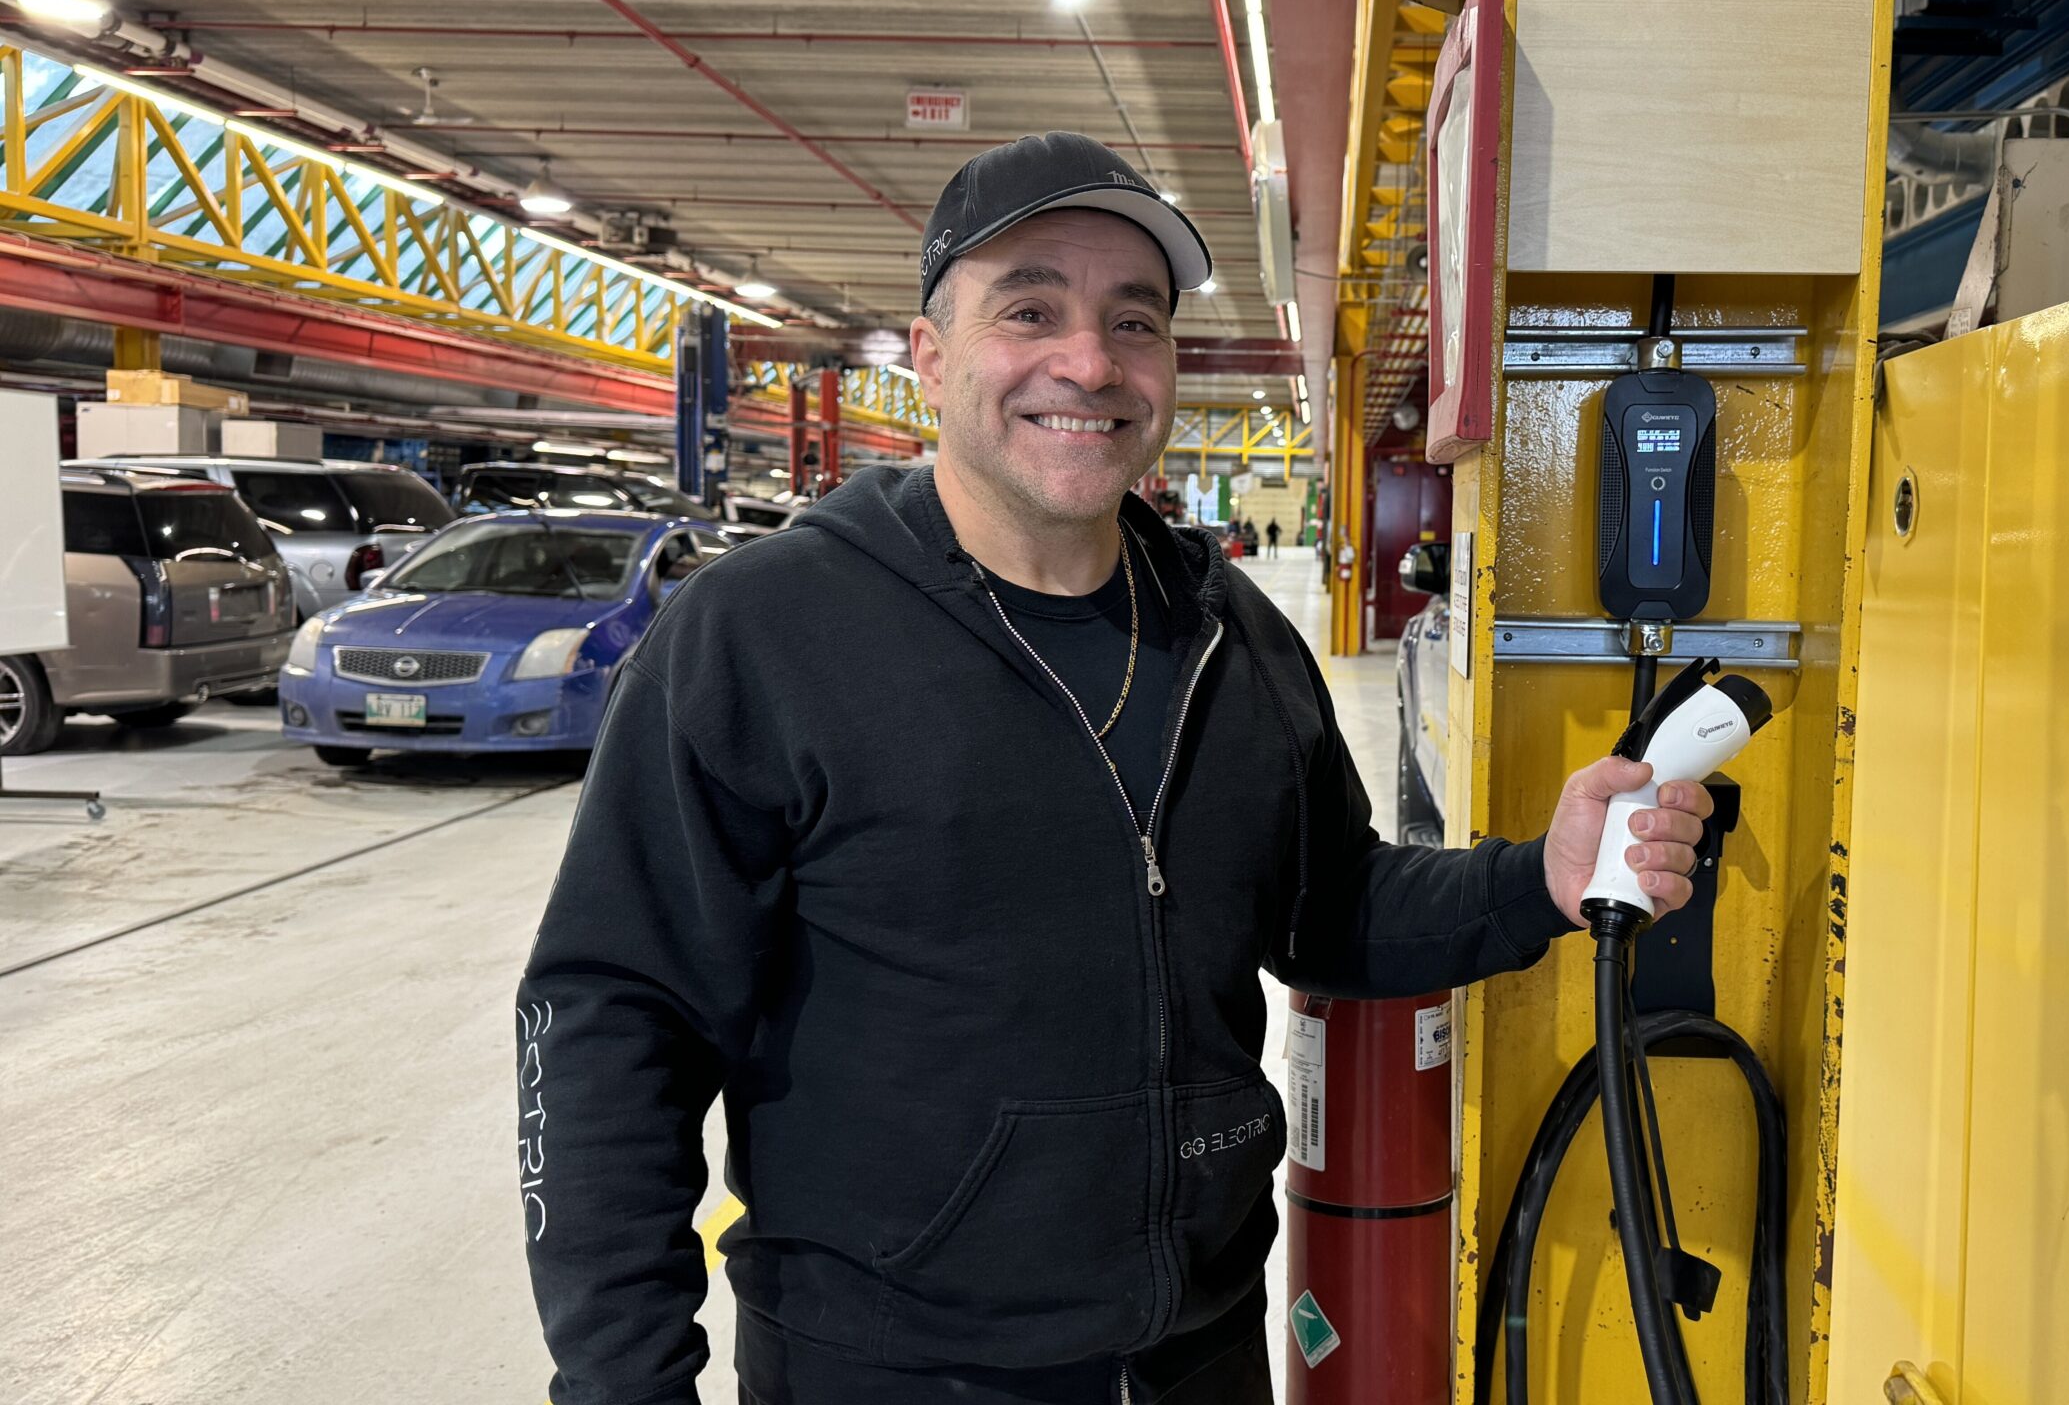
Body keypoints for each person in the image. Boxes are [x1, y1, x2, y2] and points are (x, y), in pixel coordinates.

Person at [516, 132, 1714, 1405]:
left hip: (1196, 1352)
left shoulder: (1229, 634)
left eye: (1132, 322)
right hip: (891, 1368)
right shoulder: (758, 637)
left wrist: (1538, 879)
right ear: (931, 356)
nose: (1087, 362)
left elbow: (1330, 909)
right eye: (1029, 308)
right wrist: (625, 1381)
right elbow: (612, 1019)